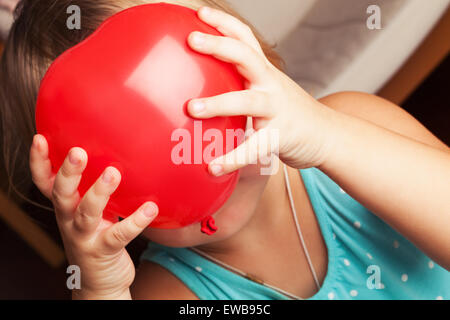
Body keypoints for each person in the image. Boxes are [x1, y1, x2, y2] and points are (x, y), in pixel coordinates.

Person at [1, 0, 449, 300]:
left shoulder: (353, 125)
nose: (198, 160)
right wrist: (101, 290)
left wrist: (329, 137)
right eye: (127, 159)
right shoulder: (175, 291)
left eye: (196, 108)